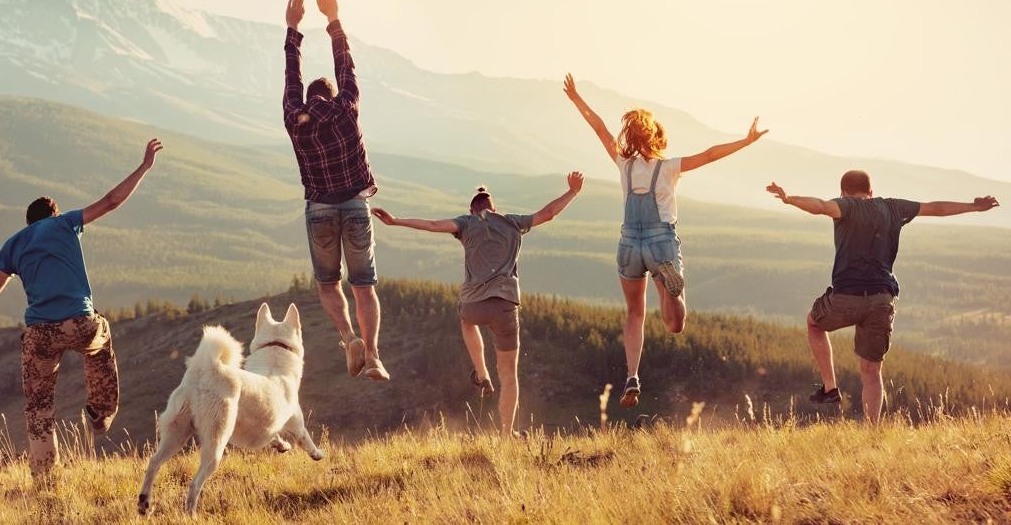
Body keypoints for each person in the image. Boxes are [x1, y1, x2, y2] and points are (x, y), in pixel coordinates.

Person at [0, 138, 164, 479]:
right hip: (80, 323)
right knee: (100, 342)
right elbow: (111, 201)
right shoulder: (66, 224)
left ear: (28, 222)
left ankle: (45, 477)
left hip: (41, 334)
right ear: (55, 215)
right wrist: (144, 167)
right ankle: (100, 412)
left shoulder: (14, 244)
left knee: (38, 407)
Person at [562, 74, 767, 408]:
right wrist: (745, 141)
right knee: (674, 324)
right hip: (661, 243)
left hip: (629, 242)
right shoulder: (670, 167)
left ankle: (632, 377)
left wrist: (576, 99)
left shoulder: (623, 164)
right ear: (658, 137)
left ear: (630, 135)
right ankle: (672, 289)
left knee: (634, 313)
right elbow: (711, 154)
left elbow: (598, 127)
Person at [767, 171, 999, 422]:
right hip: (882, 298)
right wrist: (975, 207)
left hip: (847, 295)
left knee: (814, 323)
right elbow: (937, 208)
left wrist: (789, 198)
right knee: (871, 371)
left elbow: (820, 207)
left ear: (843, 191)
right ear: (871, 191)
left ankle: (830, 388)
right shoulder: (893, 207)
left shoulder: (846, 206)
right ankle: (872, 431)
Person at [370, 172, 584, 437]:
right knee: (509, 374)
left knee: (466, 321)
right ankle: (507, 434)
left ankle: (482, 373)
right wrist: (573, 191)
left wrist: (395, 221)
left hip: (473, 304)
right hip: (505, 305)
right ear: (494, 209)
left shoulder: (466, 223)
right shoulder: (512, 223)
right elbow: (549, 212)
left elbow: (433, 224)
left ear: (472, 210)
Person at [283, 0, 389, 381]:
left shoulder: (295, 119)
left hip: (320, 211)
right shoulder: (347, 111)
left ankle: (348, 339)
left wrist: (293, 30)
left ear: (308, 99)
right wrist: (333, 19)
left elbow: (291, 78)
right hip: (356, 206)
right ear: (332, 94)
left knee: (329, 285)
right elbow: (348, 67)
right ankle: (374, 356)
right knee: (364, 286)